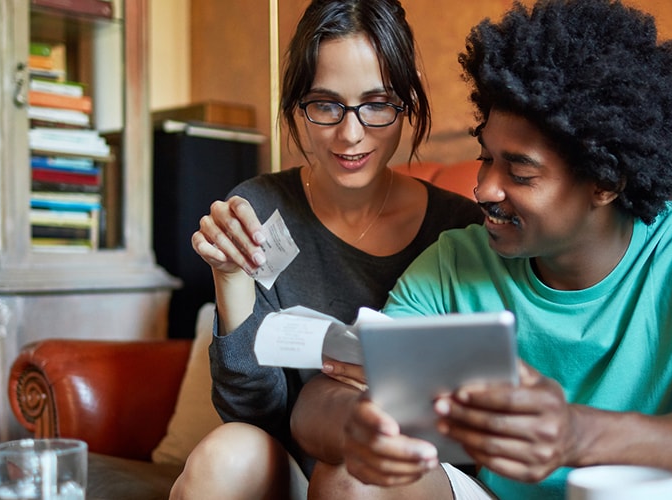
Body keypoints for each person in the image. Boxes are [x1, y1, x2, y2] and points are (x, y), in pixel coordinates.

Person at [293, 1, 672, 499]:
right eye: (485, 157)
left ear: (604, 182)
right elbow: (320, 400)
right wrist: (358, 425)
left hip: (640, 492)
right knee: (348, 478)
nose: (484, 188)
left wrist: (578, 434)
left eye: (520, 172)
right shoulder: (457, 263)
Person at [169, 0, 484, 498]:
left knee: (356, 478)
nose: (350, 133)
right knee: (223, 456)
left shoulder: (459, 228)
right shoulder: (259, 212)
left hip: (413, 473)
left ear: (407, 102)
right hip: (296, 467)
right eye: (326, 104)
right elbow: (253, 416)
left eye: (377, 104)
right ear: (299, 105)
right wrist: (230, 281)